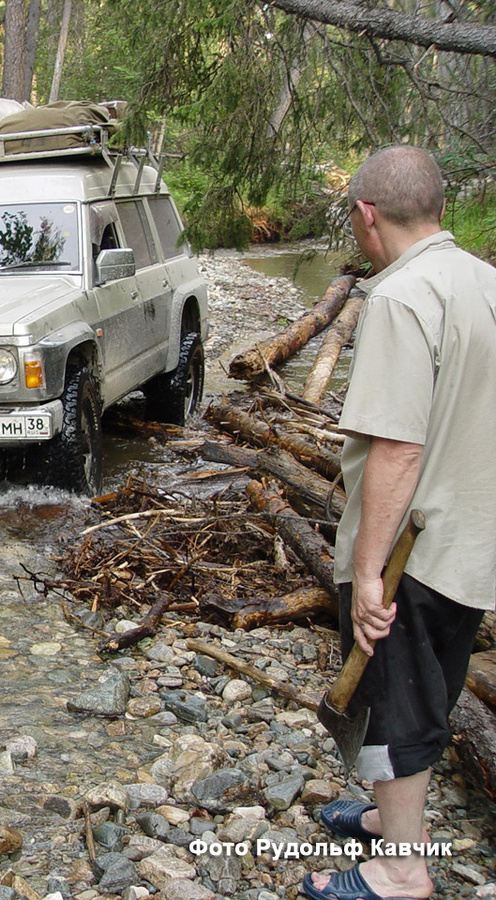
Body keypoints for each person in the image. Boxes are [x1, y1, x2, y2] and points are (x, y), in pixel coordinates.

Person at [302, 147, 496, 900]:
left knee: (393, 698)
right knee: (432, 681)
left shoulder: (401, 297)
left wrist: (374, 572)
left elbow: (397, 446)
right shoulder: (483, 281)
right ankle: (391, 824)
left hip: (417, 543)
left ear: (366, 215)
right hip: (474, 535)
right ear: (439, 208)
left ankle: (401, 871)